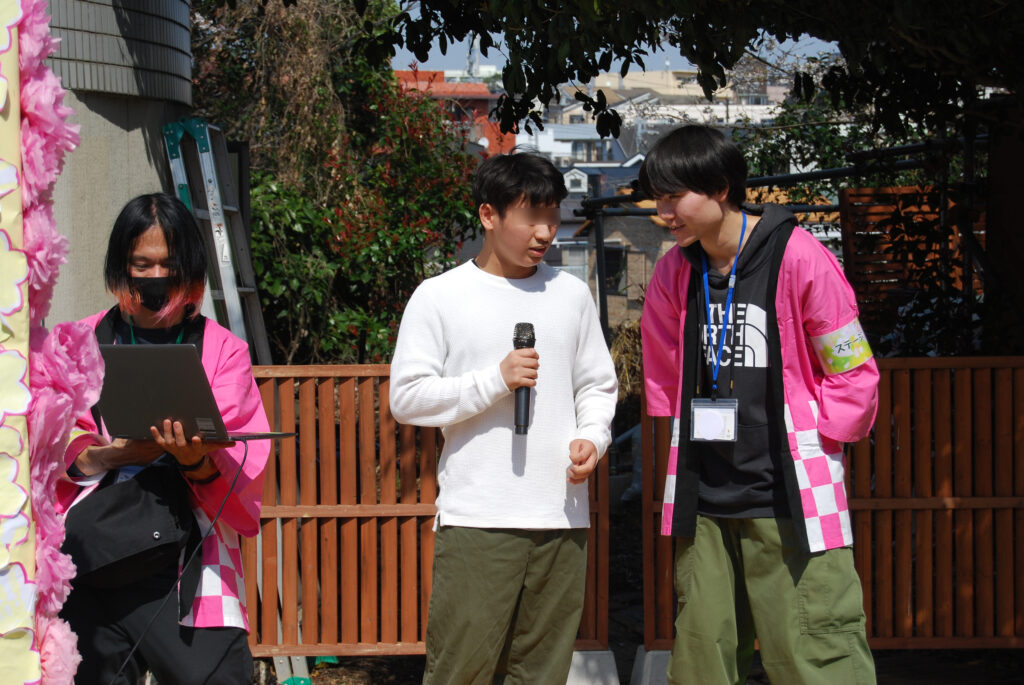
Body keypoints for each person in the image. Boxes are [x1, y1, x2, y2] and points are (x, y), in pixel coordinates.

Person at [639, 126, 879, 684]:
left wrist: (820, 447)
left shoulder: (800, 257)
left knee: (816, 656)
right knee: (700, 661)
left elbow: (853, 372)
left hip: (790, 496)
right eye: (658, 198)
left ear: (720, 188)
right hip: (705, 495)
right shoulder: (676, 270)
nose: (663, 212)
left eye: (674, 197)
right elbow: (666, 372)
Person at [389, 151, 618, 684]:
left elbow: (597, 384)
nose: (545, 232)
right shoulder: (440, 296)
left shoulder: (571, 294)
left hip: (562, 516)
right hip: (478, 519)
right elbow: (408, 397)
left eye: (553, 216)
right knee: (460, 672)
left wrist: (592, 437)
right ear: (488, 215)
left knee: (543, 673)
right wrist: (495, 380)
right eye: (531, 216)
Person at [58, 192, 269, 684]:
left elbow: (243, 452)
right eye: (142, 265)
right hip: (90, 554)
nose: (156, 277)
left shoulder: (224, 350)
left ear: (191, 267)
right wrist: (110, 455)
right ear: (121, 266)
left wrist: (195, 461)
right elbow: (51, 441)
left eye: (169, 266)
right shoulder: (77, 341)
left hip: (192, 557)